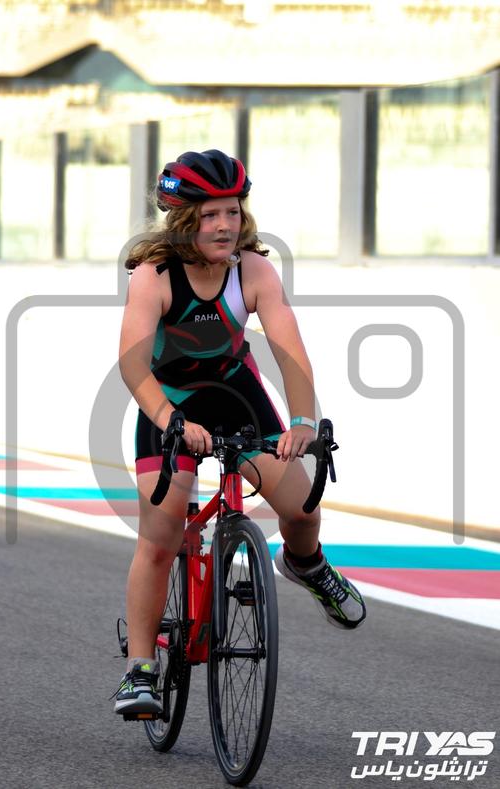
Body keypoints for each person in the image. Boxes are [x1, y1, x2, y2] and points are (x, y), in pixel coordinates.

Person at [114, 149, 366, 715]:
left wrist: (302, 422)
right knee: (161, 536)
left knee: (302, 508)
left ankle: (306, 564)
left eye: (232, 211)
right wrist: (171, 421)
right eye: (209, 215)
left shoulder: (253, 270)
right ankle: (140, 669)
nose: (224, 224)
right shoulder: (154, 276)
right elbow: (132, 365)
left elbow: (289, 350)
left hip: (234, 394)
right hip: (168, 402)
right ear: (184, 220)